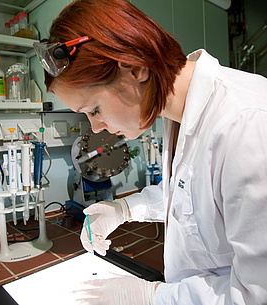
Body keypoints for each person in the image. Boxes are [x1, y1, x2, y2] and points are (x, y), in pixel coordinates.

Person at [33, 0, 267, 304]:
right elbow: (193, 195)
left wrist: (152, 296)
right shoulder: (177, 111)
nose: (97, 127)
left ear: (135, 68)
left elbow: (257, 294)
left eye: (94, 109)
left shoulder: (246, 124)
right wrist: (124, 210)